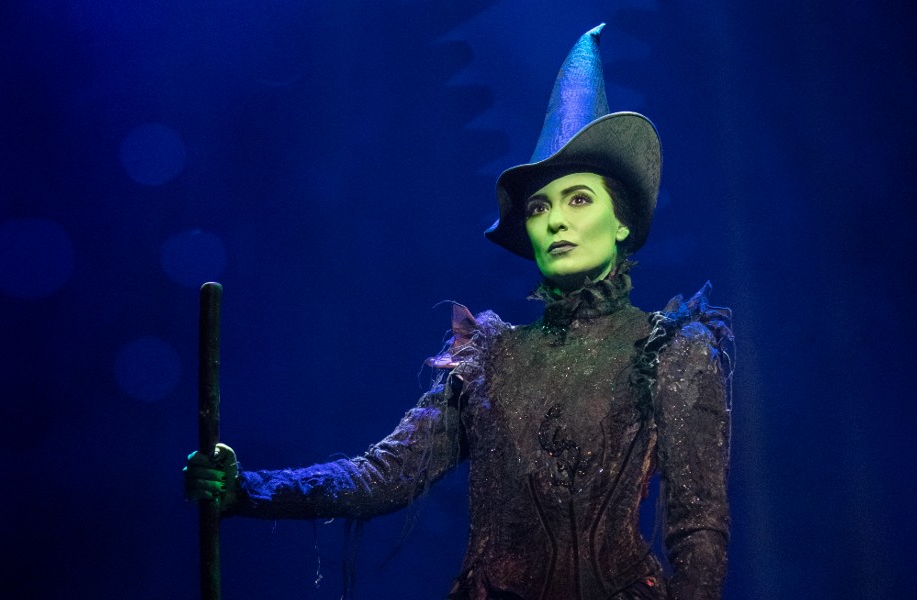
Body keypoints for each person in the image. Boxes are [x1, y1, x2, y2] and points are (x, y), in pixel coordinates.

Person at [184, 24, 731, 600]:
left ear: (621, 223)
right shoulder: (490, 361)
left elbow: (699, 530)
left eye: (578, 199)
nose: (555, 220)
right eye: (539, 207)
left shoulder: (671, 352)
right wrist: (246, 489)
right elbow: (385, 475)